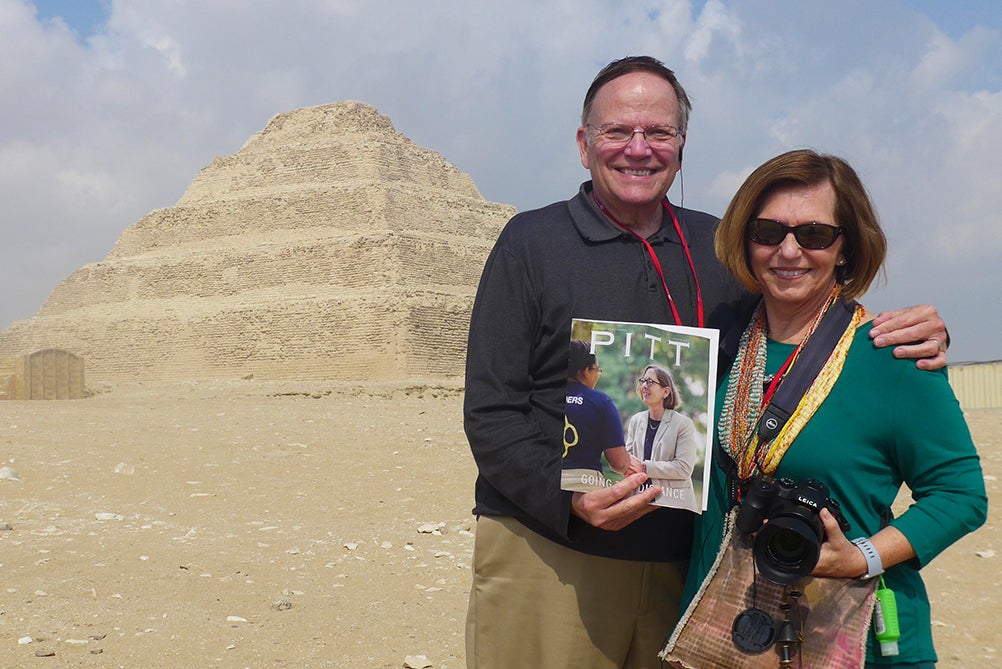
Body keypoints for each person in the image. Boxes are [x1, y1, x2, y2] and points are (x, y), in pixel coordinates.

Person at [463, 55, 950, 669]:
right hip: (555, 555)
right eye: (618, 132)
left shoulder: (726, 250)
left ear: (681, 145)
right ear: (584, 144)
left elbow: (805, 322)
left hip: (691, 567)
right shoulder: (529, 244)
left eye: (658, 133)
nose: (638, 149)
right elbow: (491, 411)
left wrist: (917, 332)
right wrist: (569, 501)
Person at [681, 149, 987, 667]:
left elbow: (960, 495)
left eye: (815, 235)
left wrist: (861, 558)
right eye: (768, 232)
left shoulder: (891, 356)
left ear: (847, 247)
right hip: (724, 630)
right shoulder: (717, 344)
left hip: (854, 633)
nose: (789, 250)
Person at [624, 364, 700, 512]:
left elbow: (684, 469)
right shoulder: (636, 420)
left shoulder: (683, 424)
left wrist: (645, 467)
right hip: (638, 501)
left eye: (650, 382)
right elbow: (629, 460)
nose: (644, 386)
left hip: (673, 505)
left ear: (666, 392)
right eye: (643, 381)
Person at [562, 340, 631, 492]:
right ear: (586, 371)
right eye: (597, 370)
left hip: (542, 483)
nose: (598, 375)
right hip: (584, 488)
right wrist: (629, 461)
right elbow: (619, 464)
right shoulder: (601, 402)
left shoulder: (543, 395)